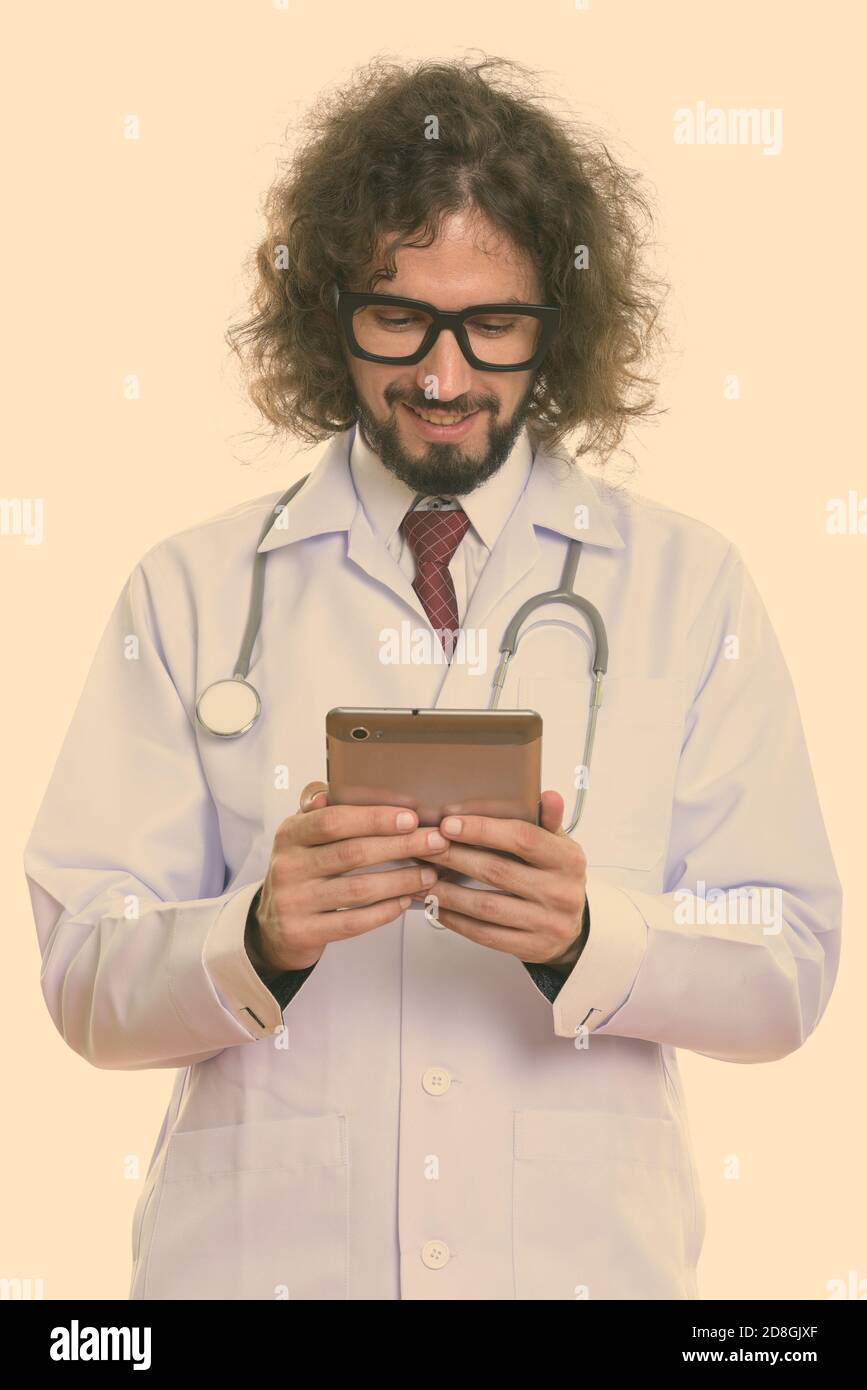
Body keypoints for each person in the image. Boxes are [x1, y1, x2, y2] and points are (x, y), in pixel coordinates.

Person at [23, 54, 841, 1301]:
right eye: (398, 319)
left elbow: (789, 963)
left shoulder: (689, 583)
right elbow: (83, 976)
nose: (445, 376)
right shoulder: (189, 590)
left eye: (494, 324)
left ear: (560, 325)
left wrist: (594, 935)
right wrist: (252, 937)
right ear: (328, 311)